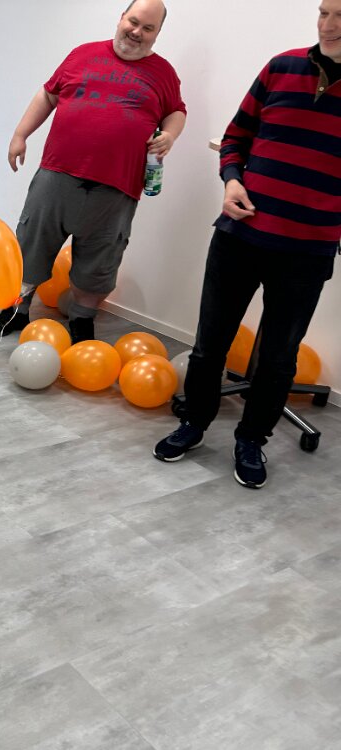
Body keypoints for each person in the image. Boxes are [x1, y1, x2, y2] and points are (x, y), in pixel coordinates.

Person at [153, 0, 340, 488]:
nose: (328, 24)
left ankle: (251, 439)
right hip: (240, 236)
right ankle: (194, 423)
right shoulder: (281, 67)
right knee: (209, 344)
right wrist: (232, 179)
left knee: (278, 357)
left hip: (308, 251)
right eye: (324, 12)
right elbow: (236, 137)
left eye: (340, 15)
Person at [0, 0, 186, 343]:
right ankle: (16, 310)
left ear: (157, 33)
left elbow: (176, 111)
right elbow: (47, 96)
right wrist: (20, 135)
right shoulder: (83, 54)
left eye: (148, 28)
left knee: (100, 261)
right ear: (121, 18)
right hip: (58, 173)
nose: (136, 32)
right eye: (133, 21)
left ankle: (81, 320)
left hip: (117, 187)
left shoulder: (163, 73)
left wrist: (170, 134)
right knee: (32, 245)